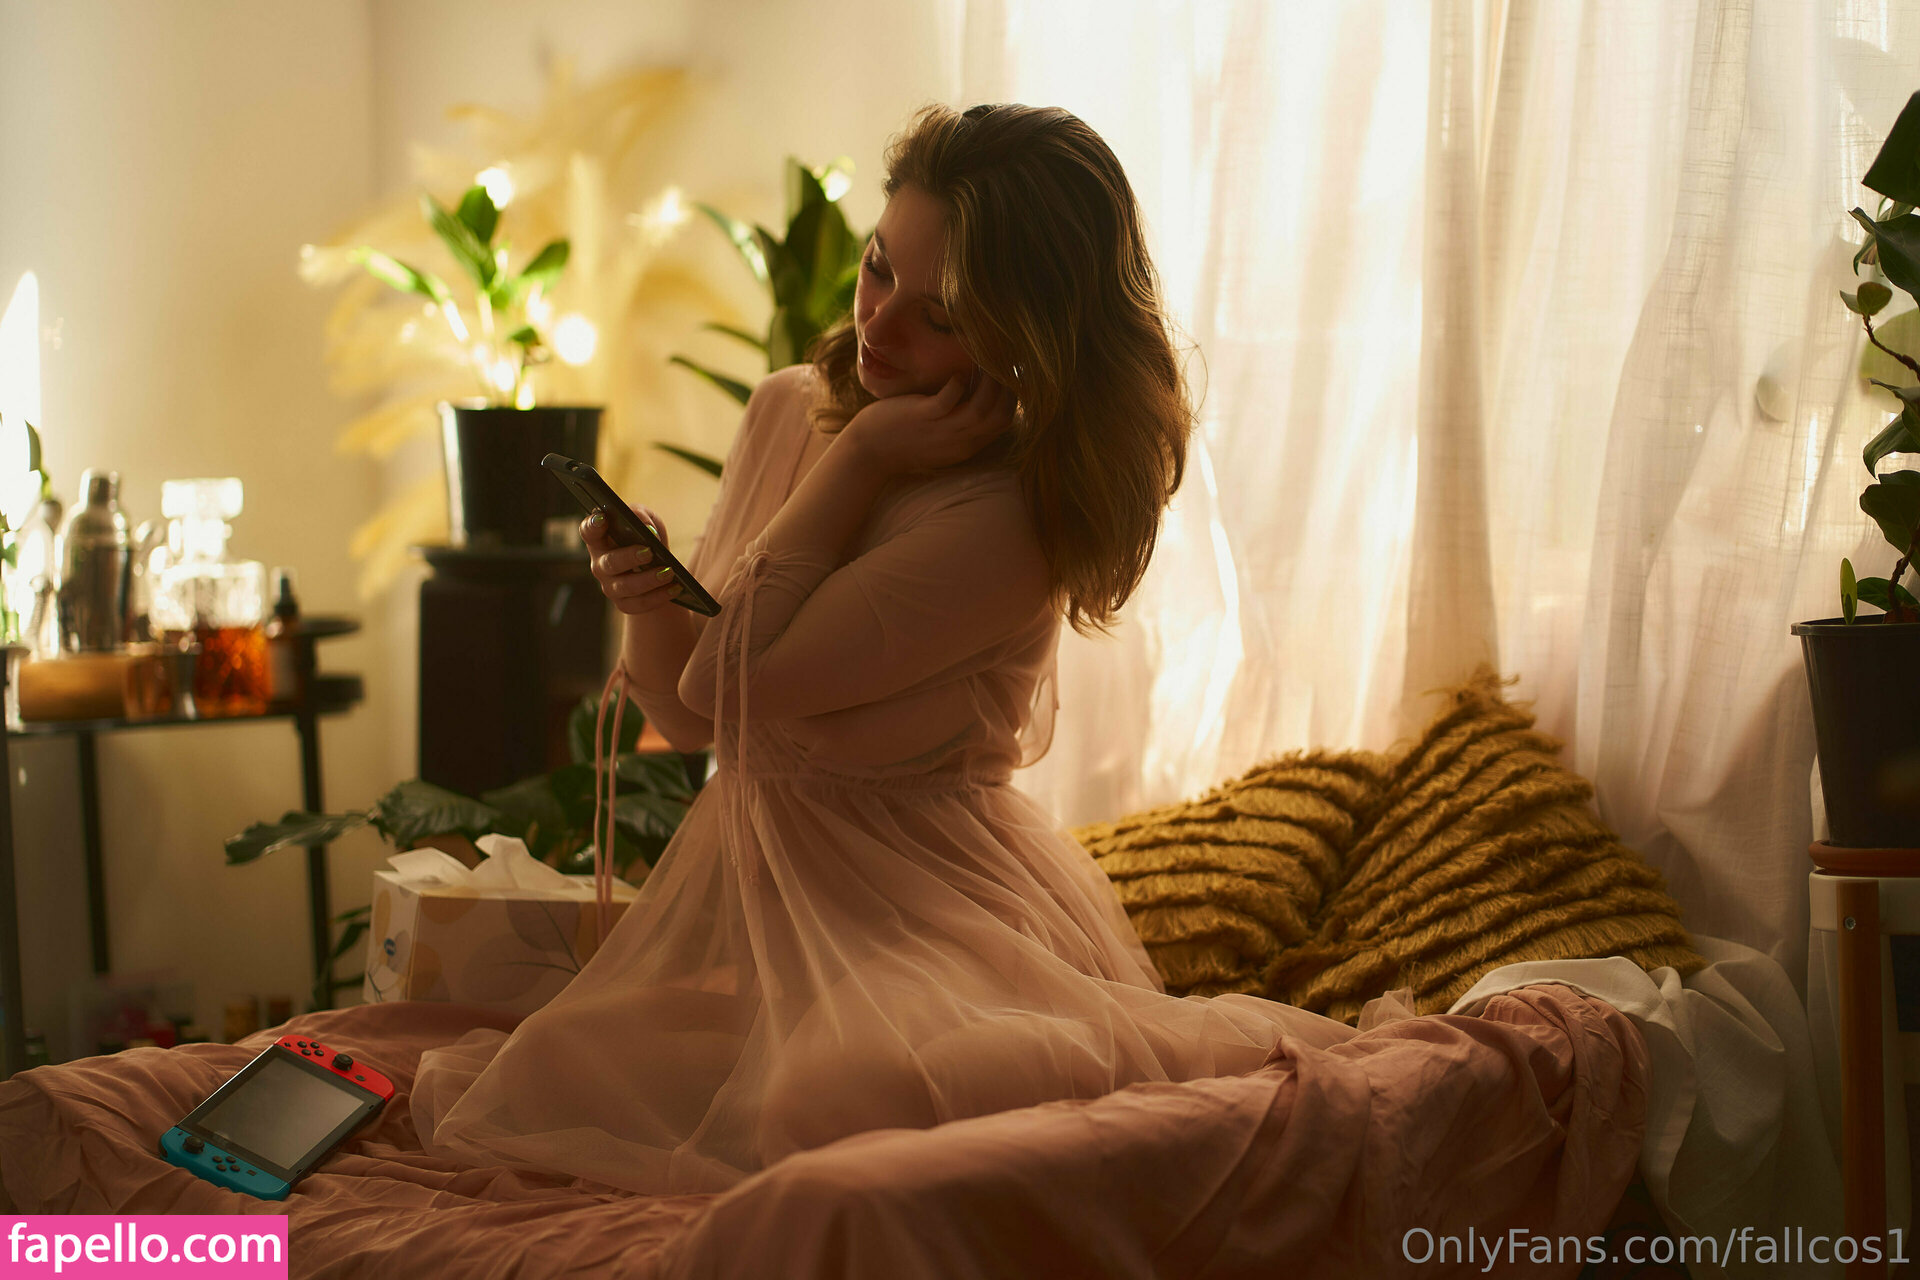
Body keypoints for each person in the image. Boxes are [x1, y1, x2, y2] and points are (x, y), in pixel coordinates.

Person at [411, 102, 1355, 1196]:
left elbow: (733, 678)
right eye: (877, 268)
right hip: (775, 923)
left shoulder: (1010, 516)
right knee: (549, 1075)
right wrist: (646, 596)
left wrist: (860, 457)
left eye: (939, 315)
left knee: (825, 1103)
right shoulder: (787, 408)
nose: (878, 326)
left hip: (926, 925)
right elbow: (697, 719)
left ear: (1029, 338)